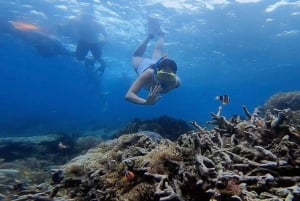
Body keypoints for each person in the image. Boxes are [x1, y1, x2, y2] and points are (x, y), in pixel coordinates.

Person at [125, 18, 181, 105]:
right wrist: (146, 102)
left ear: (174, 76)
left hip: (157, 63)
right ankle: (149, 37)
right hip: (144, 65)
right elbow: (129, 95)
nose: (165, 80)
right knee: (136, 56)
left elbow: (129, 95)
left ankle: (161, 35)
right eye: (162, 75)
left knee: (158, 50)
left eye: (169, 76)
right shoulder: (148, 74)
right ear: (155, 72)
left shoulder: (175, 82)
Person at [57, 11, 107, 77]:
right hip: (83, 41)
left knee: (97, 58)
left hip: (95, 43)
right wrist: (61, 28)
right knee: (79, 58)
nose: (86, 20)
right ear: (81, 17)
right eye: (84, 18)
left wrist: (103, 41)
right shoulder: (75, 20)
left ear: (92, 19)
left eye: (89, 18)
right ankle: (89, 60)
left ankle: (103, 64)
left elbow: (106, 35)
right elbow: (66, 26)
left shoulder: (98, 25)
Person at [0, 20, 71, 57]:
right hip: (41, 42)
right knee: (46, 54)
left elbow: (39, 36)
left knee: (65, 52)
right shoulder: (17, 30)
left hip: (46, 42)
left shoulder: (20, 29)